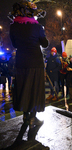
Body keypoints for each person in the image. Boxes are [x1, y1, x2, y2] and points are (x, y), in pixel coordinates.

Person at [9, 1, 49, 141]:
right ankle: (33, 119)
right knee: (34, 89)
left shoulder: (13, 26)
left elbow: (14, 44)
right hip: (35, 62)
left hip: (21, 62)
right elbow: (45, 43)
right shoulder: (37, 27)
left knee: (24, 88)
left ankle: (27, 117)